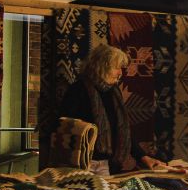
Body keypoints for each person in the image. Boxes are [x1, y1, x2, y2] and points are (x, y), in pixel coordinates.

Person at [55, 43, 164, 175]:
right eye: (116, 67)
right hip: (80, 164)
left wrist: (143, 157)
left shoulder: (113, 93)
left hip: (105, 164)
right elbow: (64, 126)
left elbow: (123, 130)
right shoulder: (78, 90)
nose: (120, 72)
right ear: (101, 67)